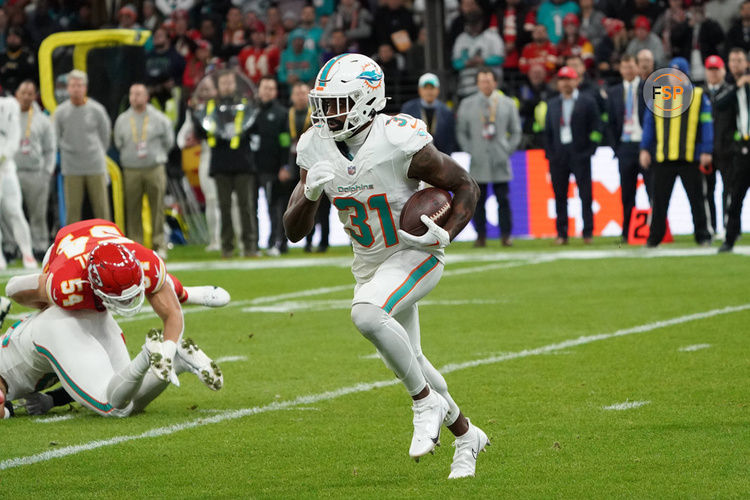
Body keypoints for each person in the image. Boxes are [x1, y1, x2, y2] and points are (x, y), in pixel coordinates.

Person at [283, 53, 488, 479]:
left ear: (365, 100)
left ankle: (423, 401)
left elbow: (465, 184)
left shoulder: (398, 139)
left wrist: (446, 230)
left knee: (367, 314)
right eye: (323, 104)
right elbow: (293, 231)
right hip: (370, 266)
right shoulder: (315, 144)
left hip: (414, 253)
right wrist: (310, 195)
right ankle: (467, 436)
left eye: (337, 103)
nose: (326, 114)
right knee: (410, 355)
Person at [3, 218, 230, 417]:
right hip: (72, 272)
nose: (127, 304)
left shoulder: (141, 263)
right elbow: (16, 288)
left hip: (61, 317)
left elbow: (169, 309)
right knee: (122, 397)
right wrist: (52, 400)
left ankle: (179, 308)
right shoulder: (67, 285)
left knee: (116, 403)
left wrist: (168, 350)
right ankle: (173, 357)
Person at [639, 58, 713, 248]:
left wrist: (706, 150)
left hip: (689, 157)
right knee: (659, 201)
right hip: (664, 157)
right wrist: (645, 148)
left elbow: (706, 123)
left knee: (696, 200)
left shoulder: (698, 95)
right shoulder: (658, 94)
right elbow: (649, 124)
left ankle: (702, 235)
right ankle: (654, 238)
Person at [194, 70, 259, 258]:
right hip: (220, 163)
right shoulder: (209, 107)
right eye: (224, 83)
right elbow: (201, 132)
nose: (227, 86)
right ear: (218, 86)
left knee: (246, 206)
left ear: (235, 84)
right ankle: (227, 247)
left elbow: (254, 126)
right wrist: (193, 112)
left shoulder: (246, 104)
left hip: (243, 162)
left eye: (230, 82)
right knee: (224, 207)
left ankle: (250, 246)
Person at [457, 68, 522, 247]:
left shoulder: (508, 103)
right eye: (482, 81)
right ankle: (481, 236)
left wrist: (507, 149)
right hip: (478, 160)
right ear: (478, 83)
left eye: (489, 81)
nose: (486, 84)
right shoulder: (467, 104)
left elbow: (516, 131)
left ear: (495, 83)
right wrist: (470, 149)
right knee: (477, 201)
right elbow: (461, 132)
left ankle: (506, 235)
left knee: (504, 200)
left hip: (500, 159)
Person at [113, 84, 173, 259]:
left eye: (138, 94)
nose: (134, 97)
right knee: (132, 208)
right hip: (131, 169)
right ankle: (135, 245)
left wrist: (157, 155)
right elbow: (118, 142)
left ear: (146, 97)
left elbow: (169, 141)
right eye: (132, 93)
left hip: (154, 167)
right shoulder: (123, 120)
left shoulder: (159, 118)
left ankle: (159, 244)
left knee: (157, 207)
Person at [544, 65, 603, 245]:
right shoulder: (552, 104)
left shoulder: (588, 101)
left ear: (577, 81)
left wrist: (589, 150)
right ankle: (562, 234)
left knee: (585, 195)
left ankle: (588, 232)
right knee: (560, 196)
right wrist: (550, 153)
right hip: (559, 156)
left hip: (580, 154)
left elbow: (597, 128)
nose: (565, 83)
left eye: (569, 79)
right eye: (562, 79)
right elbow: (547, 132)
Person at [53, 70, 111, 224]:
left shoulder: (97, 110)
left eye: (79, 85)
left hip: (95, 166)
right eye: (73, 85)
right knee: (72, 211)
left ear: (85, 88)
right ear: (68, 88)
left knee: (102, 208)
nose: (76, 89)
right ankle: (73, 245)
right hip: (71, 167)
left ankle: (108, 241)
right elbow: (56, 138)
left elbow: (105, 136)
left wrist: (97, 153)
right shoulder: (60, 112)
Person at [607, 54, 652, 242]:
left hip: (644, 146)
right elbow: (609, 122)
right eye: (624, 67)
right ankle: (627, 231)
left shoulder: (647, 88)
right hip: (625, 146)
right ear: (620, 69)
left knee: (653, 190)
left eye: (631, 66)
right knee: (627, 193)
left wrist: (650, 146)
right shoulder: (614, 92)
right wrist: (616, 147)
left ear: (638, 67)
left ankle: (656, 229)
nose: (628, 70)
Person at [14, 80, 56, 261]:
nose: (26, 96)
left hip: (35, 174)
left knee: (38, 214)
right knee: (12, 214)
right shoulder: (6, 116)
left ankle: (39, 247)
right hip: (11, 173)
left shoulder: (43, 120)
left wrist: (46, 172)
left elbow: (50, 149)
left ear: (35, 96)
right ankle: (12, 247)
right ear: (17, 94)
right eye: (23, 92)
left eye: (30, 93)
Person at [250, 76, 291, 256]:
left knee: (272, 206)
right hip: (251, 168)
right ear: (258, 90)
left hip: (272, 169)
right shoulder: (250, 111)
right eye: (264, 87)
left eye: (270, 88)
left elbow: (285, 142)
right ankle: (254, 244)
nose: (266, 91)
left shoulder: (281, 113)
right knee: (251, 208)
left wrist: (285, 166)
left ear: (275, 92)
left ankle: (274, 242)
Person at [717, 48, 750, 252]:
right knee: (736, 195)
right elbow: (718, 104)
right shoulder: (731, 87)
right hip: (744, 148)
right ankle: (730, 238)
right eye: (732, 60)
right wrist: (738, 85)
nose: (735, 64)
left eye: (739, 60)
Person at [0, 92, 37, 269]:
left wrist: (3, 156)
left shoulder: (9, 105)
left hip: (6, 167)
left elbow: (14, 137)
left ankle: (27, 253)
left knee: (15, 211)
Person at [703, 55, 734, 234]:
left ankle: (728, 225)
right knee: (708, 190)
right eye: (710, 69)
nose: (713, 73)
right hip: (707, 150)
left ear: (723, 70)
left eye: (716, 69)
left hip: (727, 148)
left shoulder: (730, 91)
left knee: (728, 189)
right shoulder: (699, 94)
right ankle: (712, 227)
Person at [451, 0, 505, 100]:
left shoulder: (492, 36)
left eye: (476, 24)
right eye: (471, 24)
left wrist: (483, 61)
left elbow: (500, 58)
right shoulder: (461, 39)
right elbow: (455, 63)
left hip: (492, 87)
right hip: (466, 88)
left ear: (482, 23)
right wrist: (465, 63)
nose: (473, 27)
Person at [401, 73, 457, 156]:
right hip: (416, 157)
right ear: (419, 90)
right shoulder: (408, 109)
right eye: (425, 88)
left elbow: (450, 140)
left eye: (432, 88)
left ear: (438, 90)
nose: (429, 92)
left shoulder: (447, 112)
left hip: (441, 158)